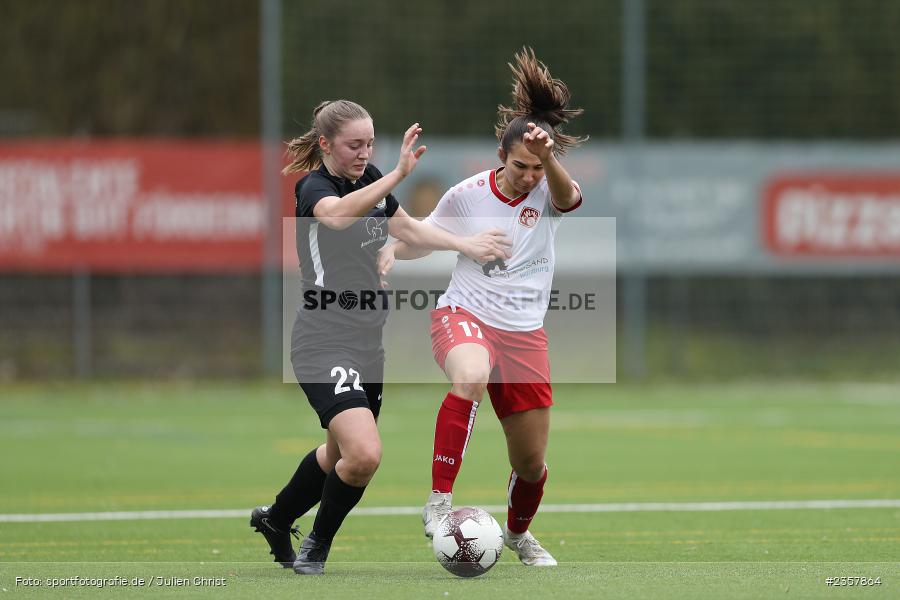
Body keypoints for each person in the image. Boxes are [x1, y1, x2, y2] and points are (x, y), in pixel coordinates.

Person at [250, 99, 511, 575]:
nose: (362, 152)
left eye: (369, 143)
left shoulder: (371, 180)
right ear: (326, 144)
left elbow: (410, 230)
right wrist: (396, 175)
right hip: (322, 340)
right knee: (365, 453)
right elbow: (336, 217)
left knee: (339, 452)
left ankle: (277, 519)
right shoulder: (315, 187)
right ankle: (316, 547)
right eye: (353, 145)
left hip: (368, 345)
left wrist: (465, 244)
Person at [378, 48, 587, 567]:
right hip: (464, 314)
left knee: (532, 464)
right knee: (469, 374)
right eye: (520, 165)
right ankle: (439, 501)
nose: (529, 176)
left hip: (524, 333)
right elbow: (425, 239)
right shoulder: (466, 195)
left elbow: (568, 198)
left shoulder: (550, 189)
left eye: (537, 167)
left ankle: (518, 535)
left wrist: (551, 158)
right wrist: (390, 250)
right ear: (501, 155)